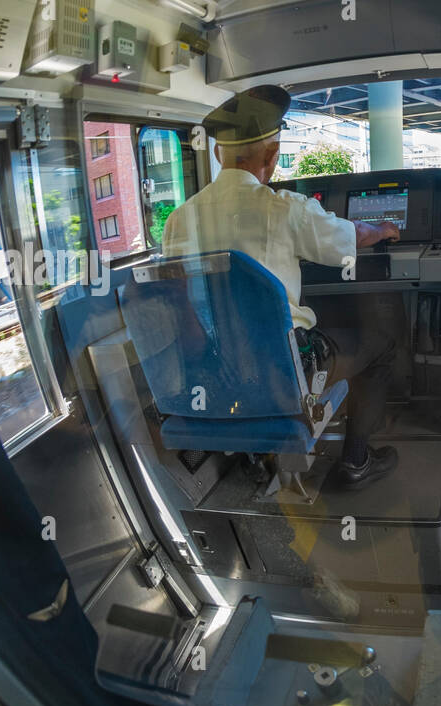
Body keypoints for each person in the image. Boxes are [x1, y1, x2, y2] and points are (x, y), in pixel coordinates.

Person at [161, 85, 403, 490]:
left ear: (219, 153)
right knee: (382, 345)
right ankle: (357, 463)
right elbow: (350, 236)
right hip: (284, 373)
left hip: (215, 371)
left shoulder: (178, 220)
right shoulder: (285, 209)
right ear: (272, 157)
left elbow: (180, 301)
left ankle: (260, 453)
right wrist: (384, 229)